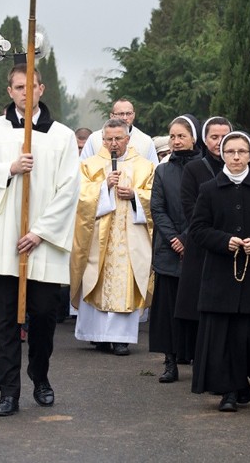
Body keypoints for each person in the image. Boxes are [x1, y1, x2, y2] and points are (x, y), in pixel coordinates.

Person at [0, 64, 80, 417]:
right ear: (9, 91)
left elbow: (69, 189)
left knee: (43, 315)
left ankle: (39, 375)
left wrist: (39, 231)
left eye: (31, 86)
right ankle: (8, 391)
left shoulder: (61, 135)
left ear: (42, 89)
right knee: (6, 320)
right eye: (18, 87)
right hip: (3, 239)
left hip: (43, 241)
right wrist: (9, 170)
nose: (25, 93)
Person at [189, 131, 250, 412]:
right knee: (223, 336)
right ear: (222, 154)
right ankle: (228, 391)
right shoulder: (208, 189)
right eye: (230, 151)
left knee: (247, 336)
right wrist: (223, 241)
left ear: (249, 155)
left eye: (241, 152)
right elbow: (198, 229)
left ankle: (243, 383)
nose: (235, 157)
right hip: (219, 276)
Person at [70, 119, 155, 356]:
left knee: (125, 282)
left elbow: (153, 197)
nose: (113, 143)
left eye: (118, 138)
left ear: (128, 139)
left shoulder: (145, 166)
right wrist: (103, 187)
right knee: (94, 277)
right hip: (97, 237)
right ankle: (97, 335)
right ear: (102, 139)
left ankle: (120, 339)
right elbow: (79, 197)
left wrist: (135, 196)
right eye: (109, 139)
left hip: (130, 237)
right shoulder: (89, 165)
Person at [173, 116, 232, 363]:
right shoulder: (194, 169)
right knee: (200, 307)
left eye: (223, 136)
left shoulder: (241, 165)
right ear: (204, 139)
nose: (219, 142)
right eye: (213, 137)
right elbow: (190, 208)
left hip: (233, 248)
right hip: (202, 246)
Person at [148, 115, 202, 382]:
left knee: (195, 308)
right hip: (169, 250)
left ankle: (196, 359)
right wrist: (174, 239)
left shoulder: (205, 169)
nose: (176, 141)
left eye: (182, 136)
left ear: (193, 138)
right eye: (172, 136)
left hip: (196, 248)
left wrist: (187, 238)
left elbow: (205, 211)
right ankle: (170, 362)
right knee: (167, 310)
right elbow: (157, 208)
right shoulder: (162, 170)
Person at [79, 99, 158, 163]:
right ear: (112, 116)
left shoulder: (146, 141)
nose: (125, 117)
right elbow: (83, 168)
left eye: (128, 113)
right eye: (120, 114)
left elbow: (153, 172)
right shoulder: (94, 139)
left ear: (133, 115)